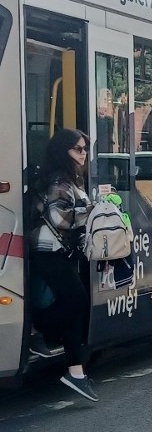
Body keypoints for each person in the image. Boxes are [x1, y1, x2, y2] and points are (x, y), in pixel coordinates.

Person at [29, 129, 98, 401]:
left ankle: (77, 374)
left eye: (84, 149)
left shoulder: (69, 178)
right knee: (77, 301)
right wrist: (93, 210)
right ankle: (37, 329)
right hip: (48, 250)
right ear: (62, 152)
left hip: (58, 251)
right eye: (77, 149)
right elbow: (59, 218)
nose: (83, 154)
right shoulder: (59, 179)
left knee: (76, 306)